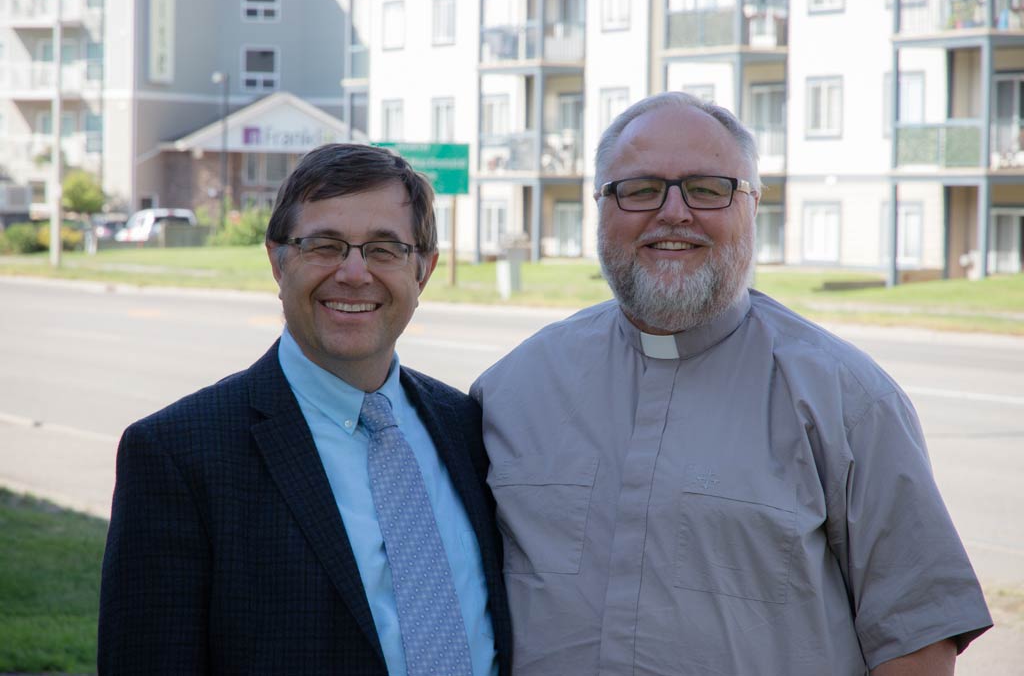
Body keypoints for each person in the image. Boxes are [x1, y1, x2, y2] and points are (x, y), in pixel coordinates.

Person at [470, 92, 991, 675]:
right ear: (599, 206)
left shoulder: (848, 403)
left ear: (753, 206)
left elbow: (914, 643)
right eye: (639, 189)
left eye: (708, 188)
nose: (673, 212)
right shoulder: (512, 392)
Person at [99, 143, 511, 675]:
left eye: (385, 250)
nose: (354, 273)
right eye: (324, 245)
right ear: (277, 260)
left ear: (424, 272)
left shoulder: (467, 428)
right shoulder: (178, 456)